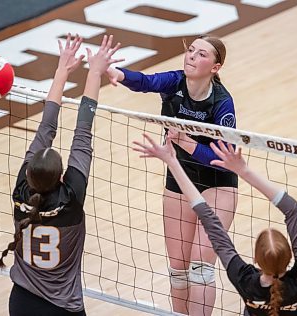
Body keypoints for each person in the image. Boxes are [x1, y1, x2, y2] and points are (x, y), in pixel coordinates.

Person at [105, 35, 238, 314]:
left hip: (217, 184)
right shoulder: (175, 82)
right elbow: (145, 82)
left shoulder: (222, 103)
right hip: (179, 177)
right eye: (191, 50)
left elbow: (225, 159)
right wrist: (116, 72)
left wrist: (186, 142)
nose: (192, 56)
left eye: (202, 54)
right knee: (179, 269)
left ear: (216, 67)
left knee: (201, 265)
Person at [0, 34, 122, 316]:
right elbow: (83, 129)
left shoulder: (20, 192)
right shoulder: (71, 196)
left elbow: (46, 128)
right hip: (63, 308)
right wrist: (94, 72)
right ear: (61, 176)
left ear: (29, 173)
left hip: (21, 302)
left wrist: (61, 71)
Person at [133, 135, 297, 316]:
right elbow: (294, 211)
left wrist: (173, 162)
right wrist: (244, 171)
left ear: (255, 259)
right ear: (289, 257)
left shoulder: (246, 282)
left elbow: (209, 220)